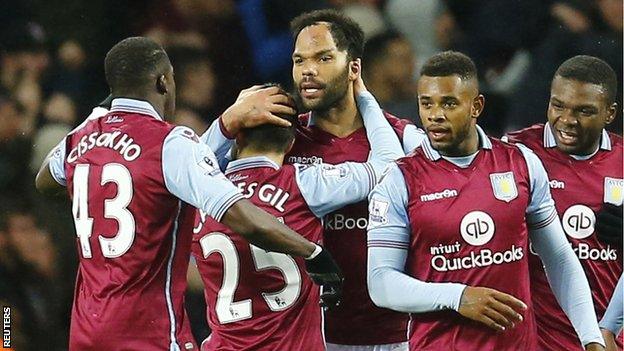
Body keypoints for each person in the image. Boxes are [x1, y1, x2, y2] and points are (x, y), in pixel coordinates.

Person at [34, 36, 342, 351]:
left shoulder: (81, 139)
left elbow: (45, 181)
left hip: (86, 332)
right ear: (163, 82)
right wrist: (313, 253)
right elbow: (242, 217)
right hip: (149, 333)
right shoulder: (170, 141)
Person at [366, 51, 606, 351]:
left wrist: (591, 338)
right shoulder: (399, 180)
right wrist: (459, 297)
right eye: (426, 103)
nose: (434, 115)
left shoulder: (521, 164)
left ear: (476, 105)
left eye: (449, 103)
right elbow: (380, 283)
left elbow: (558, 258)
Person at [193, 76, 404, 350]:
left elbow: (187, 162)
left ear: (239, 134)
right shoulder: (305, 185)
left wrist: (226, 121)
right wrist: (364, 98)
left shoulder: (200, 191)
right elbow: (389, 165)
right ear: (292, 144)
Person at [286, 10, 424, 350]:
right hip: (314, 338)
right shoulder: (284, 142)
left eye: (324, 58)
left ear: (354, 68)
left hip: (399, 336)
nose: (308, 70)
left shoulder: (405, 139)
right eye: (299, 59)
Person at [504, 55, 623, 351]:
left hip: (608, 336)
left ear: (610, 113)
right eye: (558, 106)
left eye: (584, 111)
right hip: (536, 336)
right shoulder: (514, 154)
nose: (567, 120)